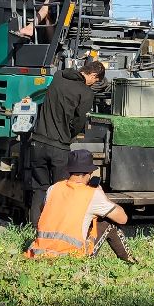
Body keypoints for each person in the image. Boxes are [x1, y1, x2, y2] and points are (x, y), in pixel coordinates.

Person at [22, 59, 103, 214]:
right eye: (95, 80)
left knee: (39, 188)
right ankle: (55, 226)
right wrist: (69, 134)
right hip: (59, 147)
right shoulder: (86, 93)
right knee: (60, 190)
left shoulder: (59, 76)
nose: (93, 84)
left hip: (38, 142)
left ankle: (36, 227)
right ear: (92, 75)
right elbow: (79, 122)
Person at [26, 149, 131, 260]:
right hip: (72, 256)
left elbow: (44, 209)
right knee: (107, 222)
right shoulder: (92, 194)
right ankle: (130, 261)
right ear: (88, 173)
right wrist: (103, 197)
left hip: (40, 253)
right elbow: (122, 219)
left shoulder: (53, 188)